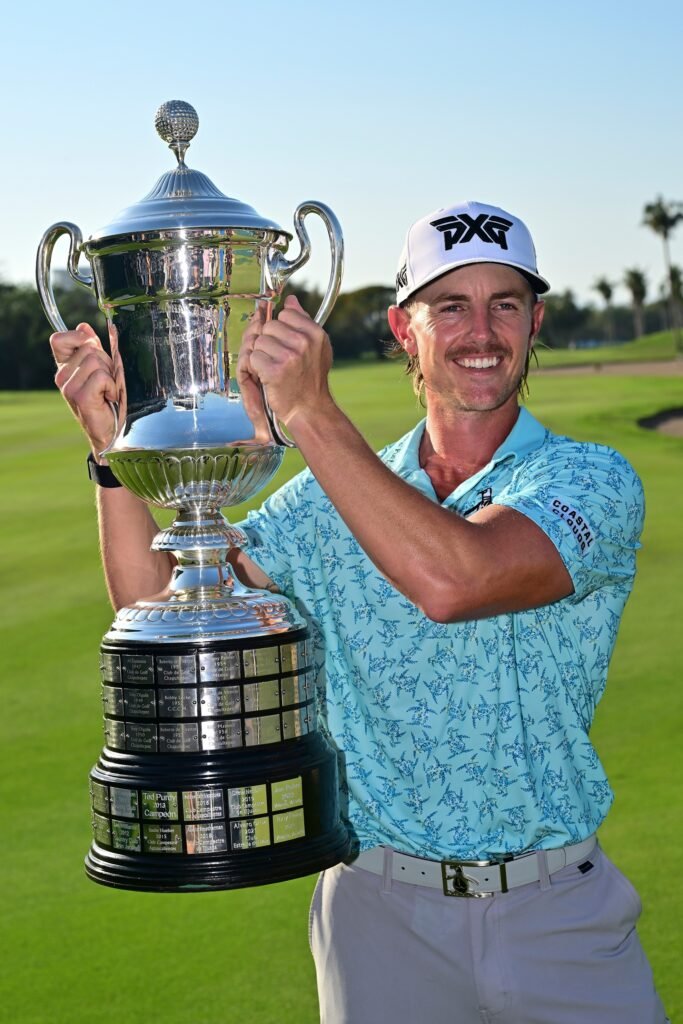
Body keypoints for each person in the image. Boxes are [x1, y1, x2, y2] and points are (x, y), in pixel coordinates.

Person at [51, 200, 668, 1023]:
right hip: (377, 917)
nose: (479, 331)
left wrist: (308, 410)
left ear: (534, 321)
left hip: (556, 911)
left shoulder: (588, 478)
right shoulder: (323, 500)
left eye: (504, 304)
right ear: (402, 328)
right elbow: (159, 612)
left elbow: (456, 580)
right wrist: (111, 452)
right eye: (449, 306)